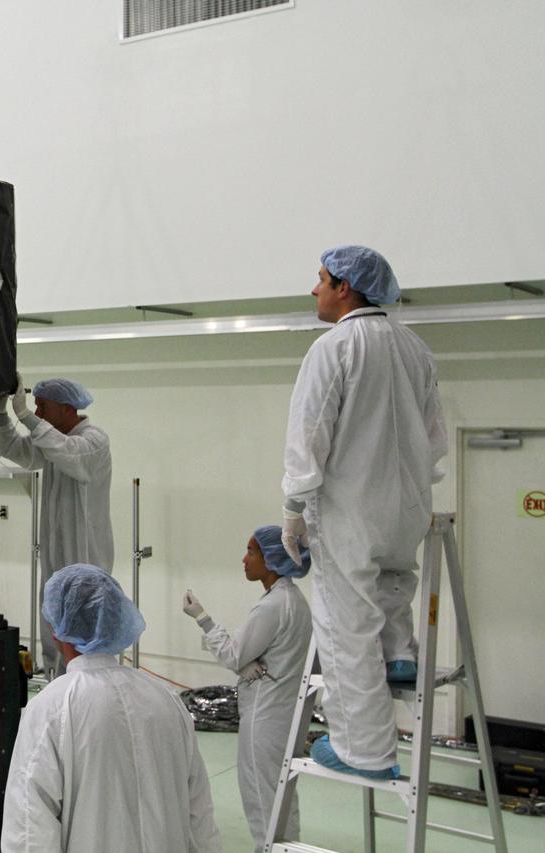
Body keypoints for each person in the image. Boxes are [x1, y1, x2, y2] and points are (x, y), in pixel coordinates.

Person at [280, 246, 447, 779]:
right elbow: (435, 437)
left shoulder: (335, 347)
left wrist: (292, 507)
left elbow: (310, 434)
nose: (315, 290)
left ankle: (365, 751)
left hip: (351, 510)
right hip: (409, 505)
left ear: (345, 287)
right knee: (395, 580)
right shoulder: (415, 348)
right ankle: (399, 653)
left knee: (346, 624)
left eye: (321, 280)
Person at [2, 564, 221, 852]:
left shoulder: (51, 710)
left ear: (57, 630)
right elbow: (200, 816)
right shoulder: (166, 699)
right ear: (118, 619)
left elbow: (29, 830)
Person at [181, 526, 313, 852]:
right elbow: (255, 655)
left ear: (272, 559)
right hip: (282, 713)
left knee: (261, 801)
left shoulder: (272, 606)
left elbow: (232, 654)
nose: (244, 559)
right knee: (280, 798)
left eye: (251, 552)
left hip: (266, 717)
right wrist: (245, 663)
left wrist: (202, 618)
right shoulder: (291, 600)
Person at [0, 376, 113, 677]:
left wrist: (26, 417)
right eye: (36, 407)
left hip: (84, 556)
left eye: (42, 406)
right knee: (53, 621)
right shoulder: (51, 441)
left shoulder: (93, 440)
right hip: (55, 554)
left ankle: (87, 688)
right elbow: (16, 449)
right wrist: (1, 414)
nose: (38, 412)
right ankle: (55, 682)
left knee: (83, 629)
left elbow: (71, 455)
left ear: (66, 407)